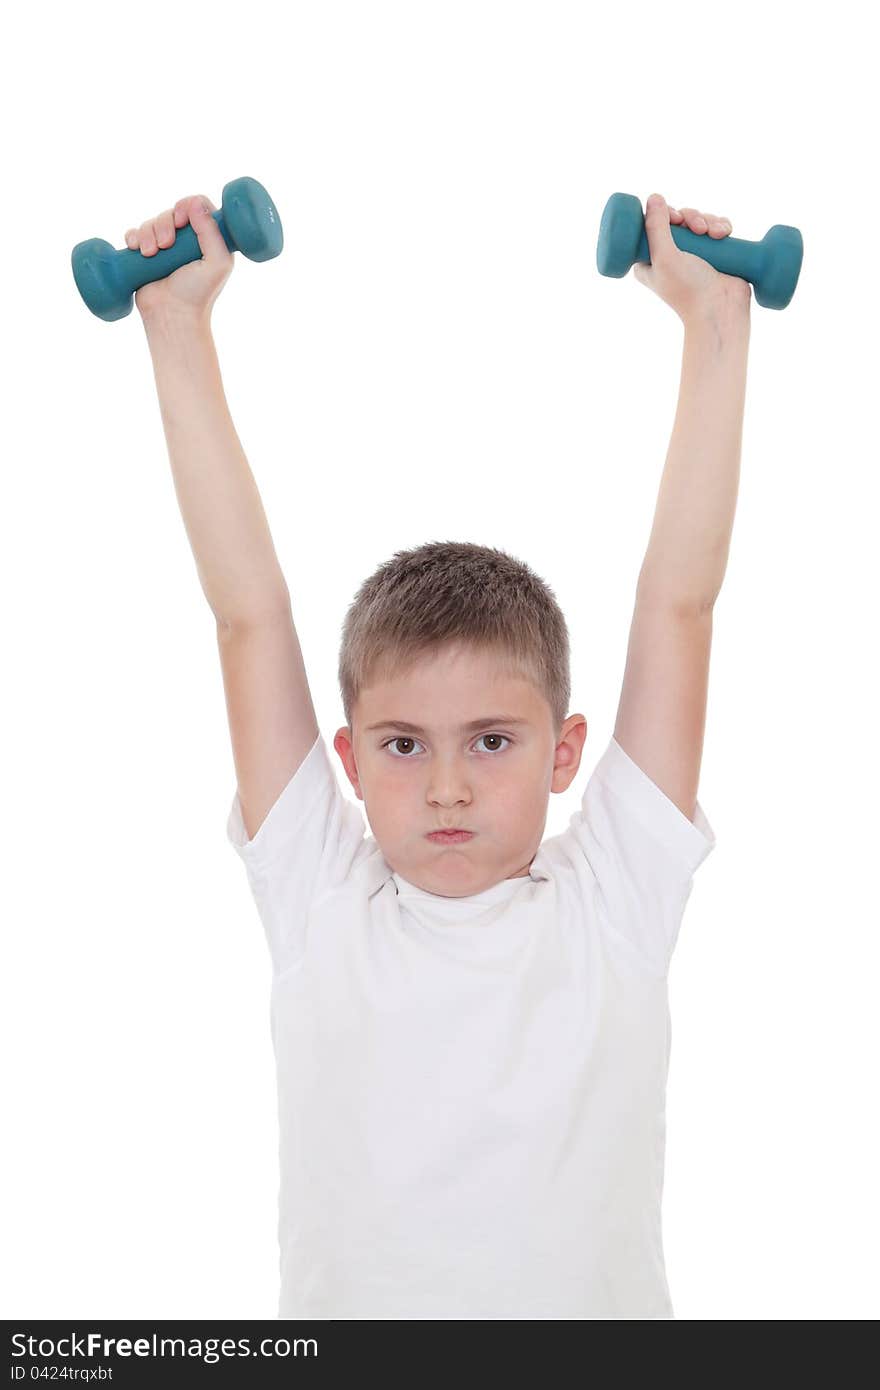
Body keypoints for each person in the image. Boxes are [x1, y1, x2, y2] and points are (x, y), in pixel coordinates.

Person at [129, 189, 750, 1318]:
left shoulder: (615, 893)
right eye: (405, 744)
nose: (450, 785)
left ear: (566, 753)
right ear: (348, 761)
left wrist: (715, 328)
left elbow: (678, 606)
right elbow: (247, 614)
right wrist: (176, 327)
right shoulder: (320, 892)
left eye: (493, 742)